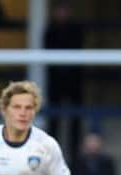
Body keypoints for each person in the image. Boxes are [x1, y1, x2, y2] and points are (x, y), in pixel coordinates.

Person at [44, 0, 85, 160]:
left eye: (65, 10)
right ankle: (53, 150)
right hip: (55, 79)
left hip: (74, 79)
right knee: (54, 118)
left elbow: (78, 50)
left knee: (75, 117)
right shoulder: (50, 30)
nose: (62, 13)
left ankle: (74, 151)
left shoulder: (76, 29)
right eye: (59, 10)